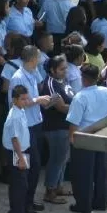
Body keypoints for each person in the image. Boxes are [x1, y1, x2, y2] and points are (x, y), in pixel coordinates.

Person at [66, 64, 107, 213]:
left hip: (84, 139)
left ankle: (83, 205)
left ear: (83, 79)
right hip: (101, 136)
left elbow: (74, 123)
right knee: (101, 172)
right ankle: (100, 203)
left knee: (83, 173)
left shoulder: (80, 97)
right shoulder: (106, 91)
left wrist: (72, 139)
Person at [7, 46, 52, 213]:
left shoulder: (33, 73)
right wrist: (37, 100)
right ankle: (20, 209)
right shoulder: (19, 78)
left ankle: (28, 202)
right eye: (38, 57)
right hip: (24, 128)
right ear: (32, 58)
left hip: (35, 123)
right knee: (23, 169)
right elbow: (18, 103)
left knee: (34, 167)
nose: (40, 60)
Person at [39, 55, 74, 205]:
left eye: (65, 68)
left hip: (65, 126)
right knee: (56, 159)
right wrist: (78, 108)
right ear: (52, 70)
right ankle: (50, 190)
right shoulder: (50, 84)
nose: (65, 71)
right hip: (55, 128)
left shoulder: (62, 81)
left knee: (63, 159)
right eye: (61, 69)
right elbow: (60, 107)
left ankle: (58, 186)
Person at [3, 85, 32, 213]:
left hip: (23, 151)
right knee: (17, 186)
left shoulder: (21, 111)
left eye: (27, 98)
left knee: (23, 185)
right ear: (14, 100)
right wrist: (20, 158)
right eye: (22, 99)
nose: (25, 101)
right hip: (16, 153)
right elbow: (14, 139)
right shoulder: (14, 115)